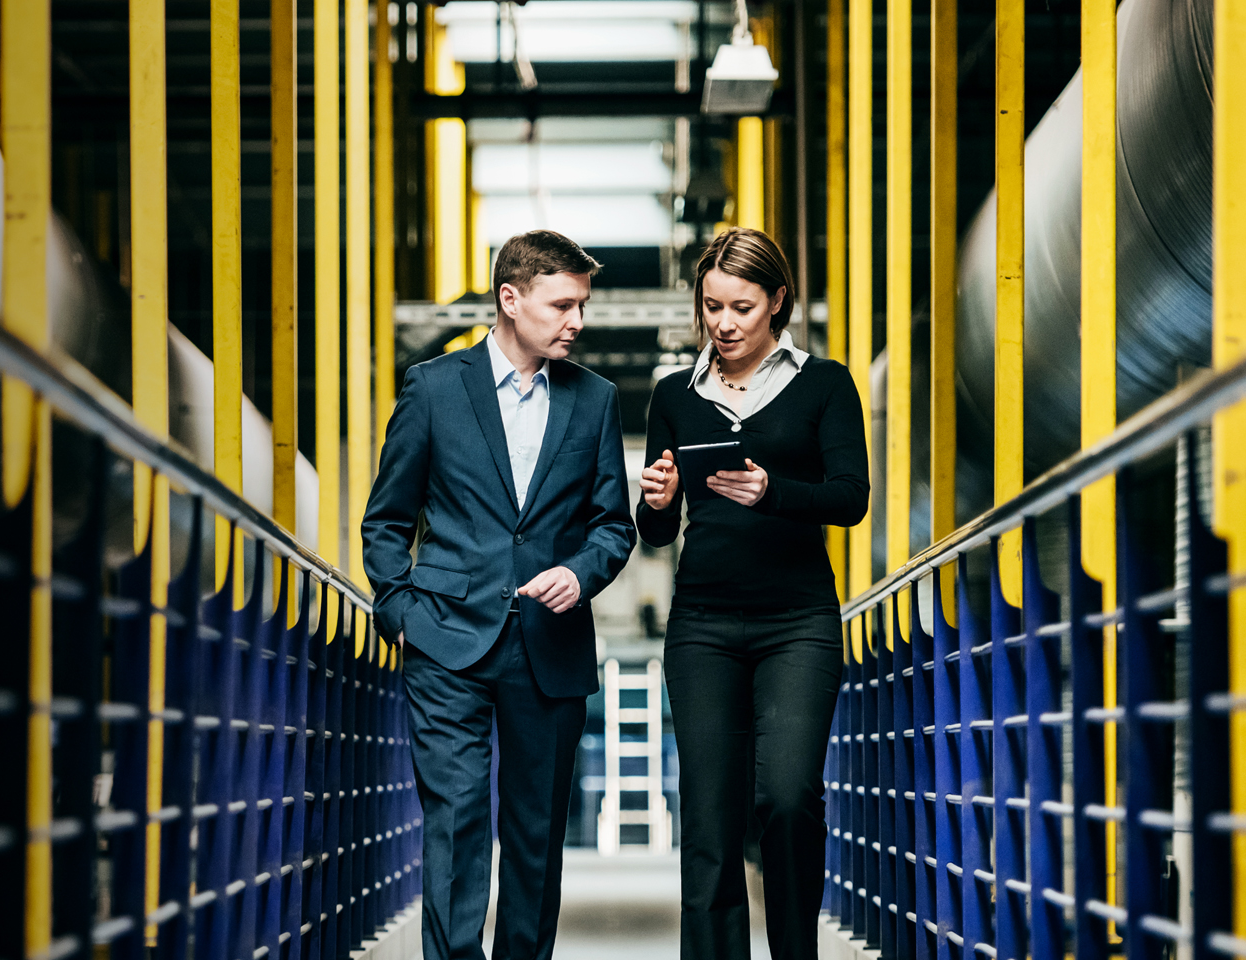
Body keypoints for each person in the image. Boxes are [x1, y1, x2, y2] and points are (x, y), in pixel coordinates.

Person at [364, 229, 636, 960]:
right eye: (563, 304)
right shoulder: (433, 388)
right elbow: (387, 518)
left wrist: (580, 573)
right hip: (445, 639)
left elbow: (614, 525)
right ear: (510, 299)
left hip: (549, 647)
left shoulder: (596, 400)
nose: (577, 320)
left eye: (582, 304)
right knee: (452, 821)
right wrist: (400, 612)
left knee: (535, 832)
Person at [636, 227, 868, 960]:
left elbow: (849, 497)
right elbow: (657, 532)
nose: (724, 323)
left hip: (797, 620)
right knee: (708, 819)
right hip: (702, 622)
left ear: (776, 302)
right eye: (711, 306)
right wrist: (658, 498)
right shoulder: (674, 395)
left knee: (788, 798)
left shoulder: (825, 385)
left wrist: (773, 493)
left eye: (741, 306)